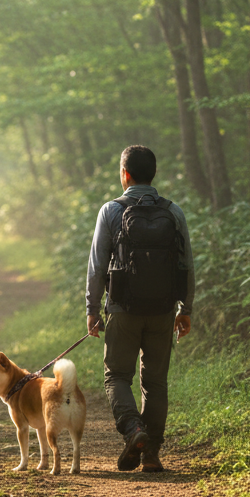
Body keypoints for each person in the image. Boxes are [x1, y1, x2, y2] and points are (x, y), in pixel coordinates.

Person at [85, 145, 194, 473]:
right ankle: (152, 455)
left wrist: (92, 309)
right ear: (153, 174)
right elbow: (186, 265)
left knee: (117, 375)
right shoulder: (174, 212)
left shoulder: (111, 210)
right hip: (163, 310)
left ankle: (134, 431)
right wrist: (185, 309)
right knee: (156, 382)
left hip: (122, 309)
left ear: (125, 174)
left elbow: (97, 266)